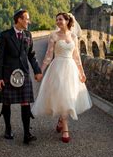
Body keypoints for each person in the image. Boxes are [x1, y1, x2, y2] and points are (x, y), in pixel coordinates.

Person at [32, 12, 92, 143]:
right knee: (61, 94)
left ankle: (61, 120)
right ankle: (65, 129)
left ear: (67, 21)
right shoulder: (53, 35)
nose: (58, 22)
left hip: (71, 68)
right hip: (57, 68)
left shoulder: (74, 36)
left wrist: (82, 72)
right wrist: (40, 71)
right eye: (56, 20)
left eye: (60, 19)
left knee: (68, 96)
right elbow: (48, 56)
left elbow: (76, 56)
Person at [0, 9, 43, 144]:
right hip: (8, 74)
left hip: (24, 73)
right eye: (27, 19)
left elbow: (31, 55)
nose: (29, 21)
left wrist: (37, 71)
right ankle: (8, 129)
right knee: (7, 102)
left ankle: (27, 134)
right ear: (19, 20)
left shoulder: (28, 35)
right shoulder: (5, 35)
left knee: (25, 102)